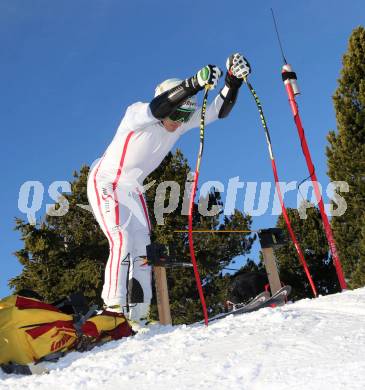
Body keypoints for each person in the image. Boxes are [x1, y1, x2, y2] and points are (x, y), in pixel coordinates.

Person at [87, 53, 251, 322]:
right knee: (121, 237)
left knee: (142, 246)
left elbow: (217, 111)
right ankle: (113, 309)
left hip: (133, 189)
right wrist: (194, 83)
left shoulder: (178, 124)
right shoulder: (137, 115)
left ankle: (138, 316)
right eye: (176, 113)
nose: (179, 121)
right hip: (106, 181)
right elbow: (158, 108)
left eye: (185, 114)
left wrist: (233, 82)